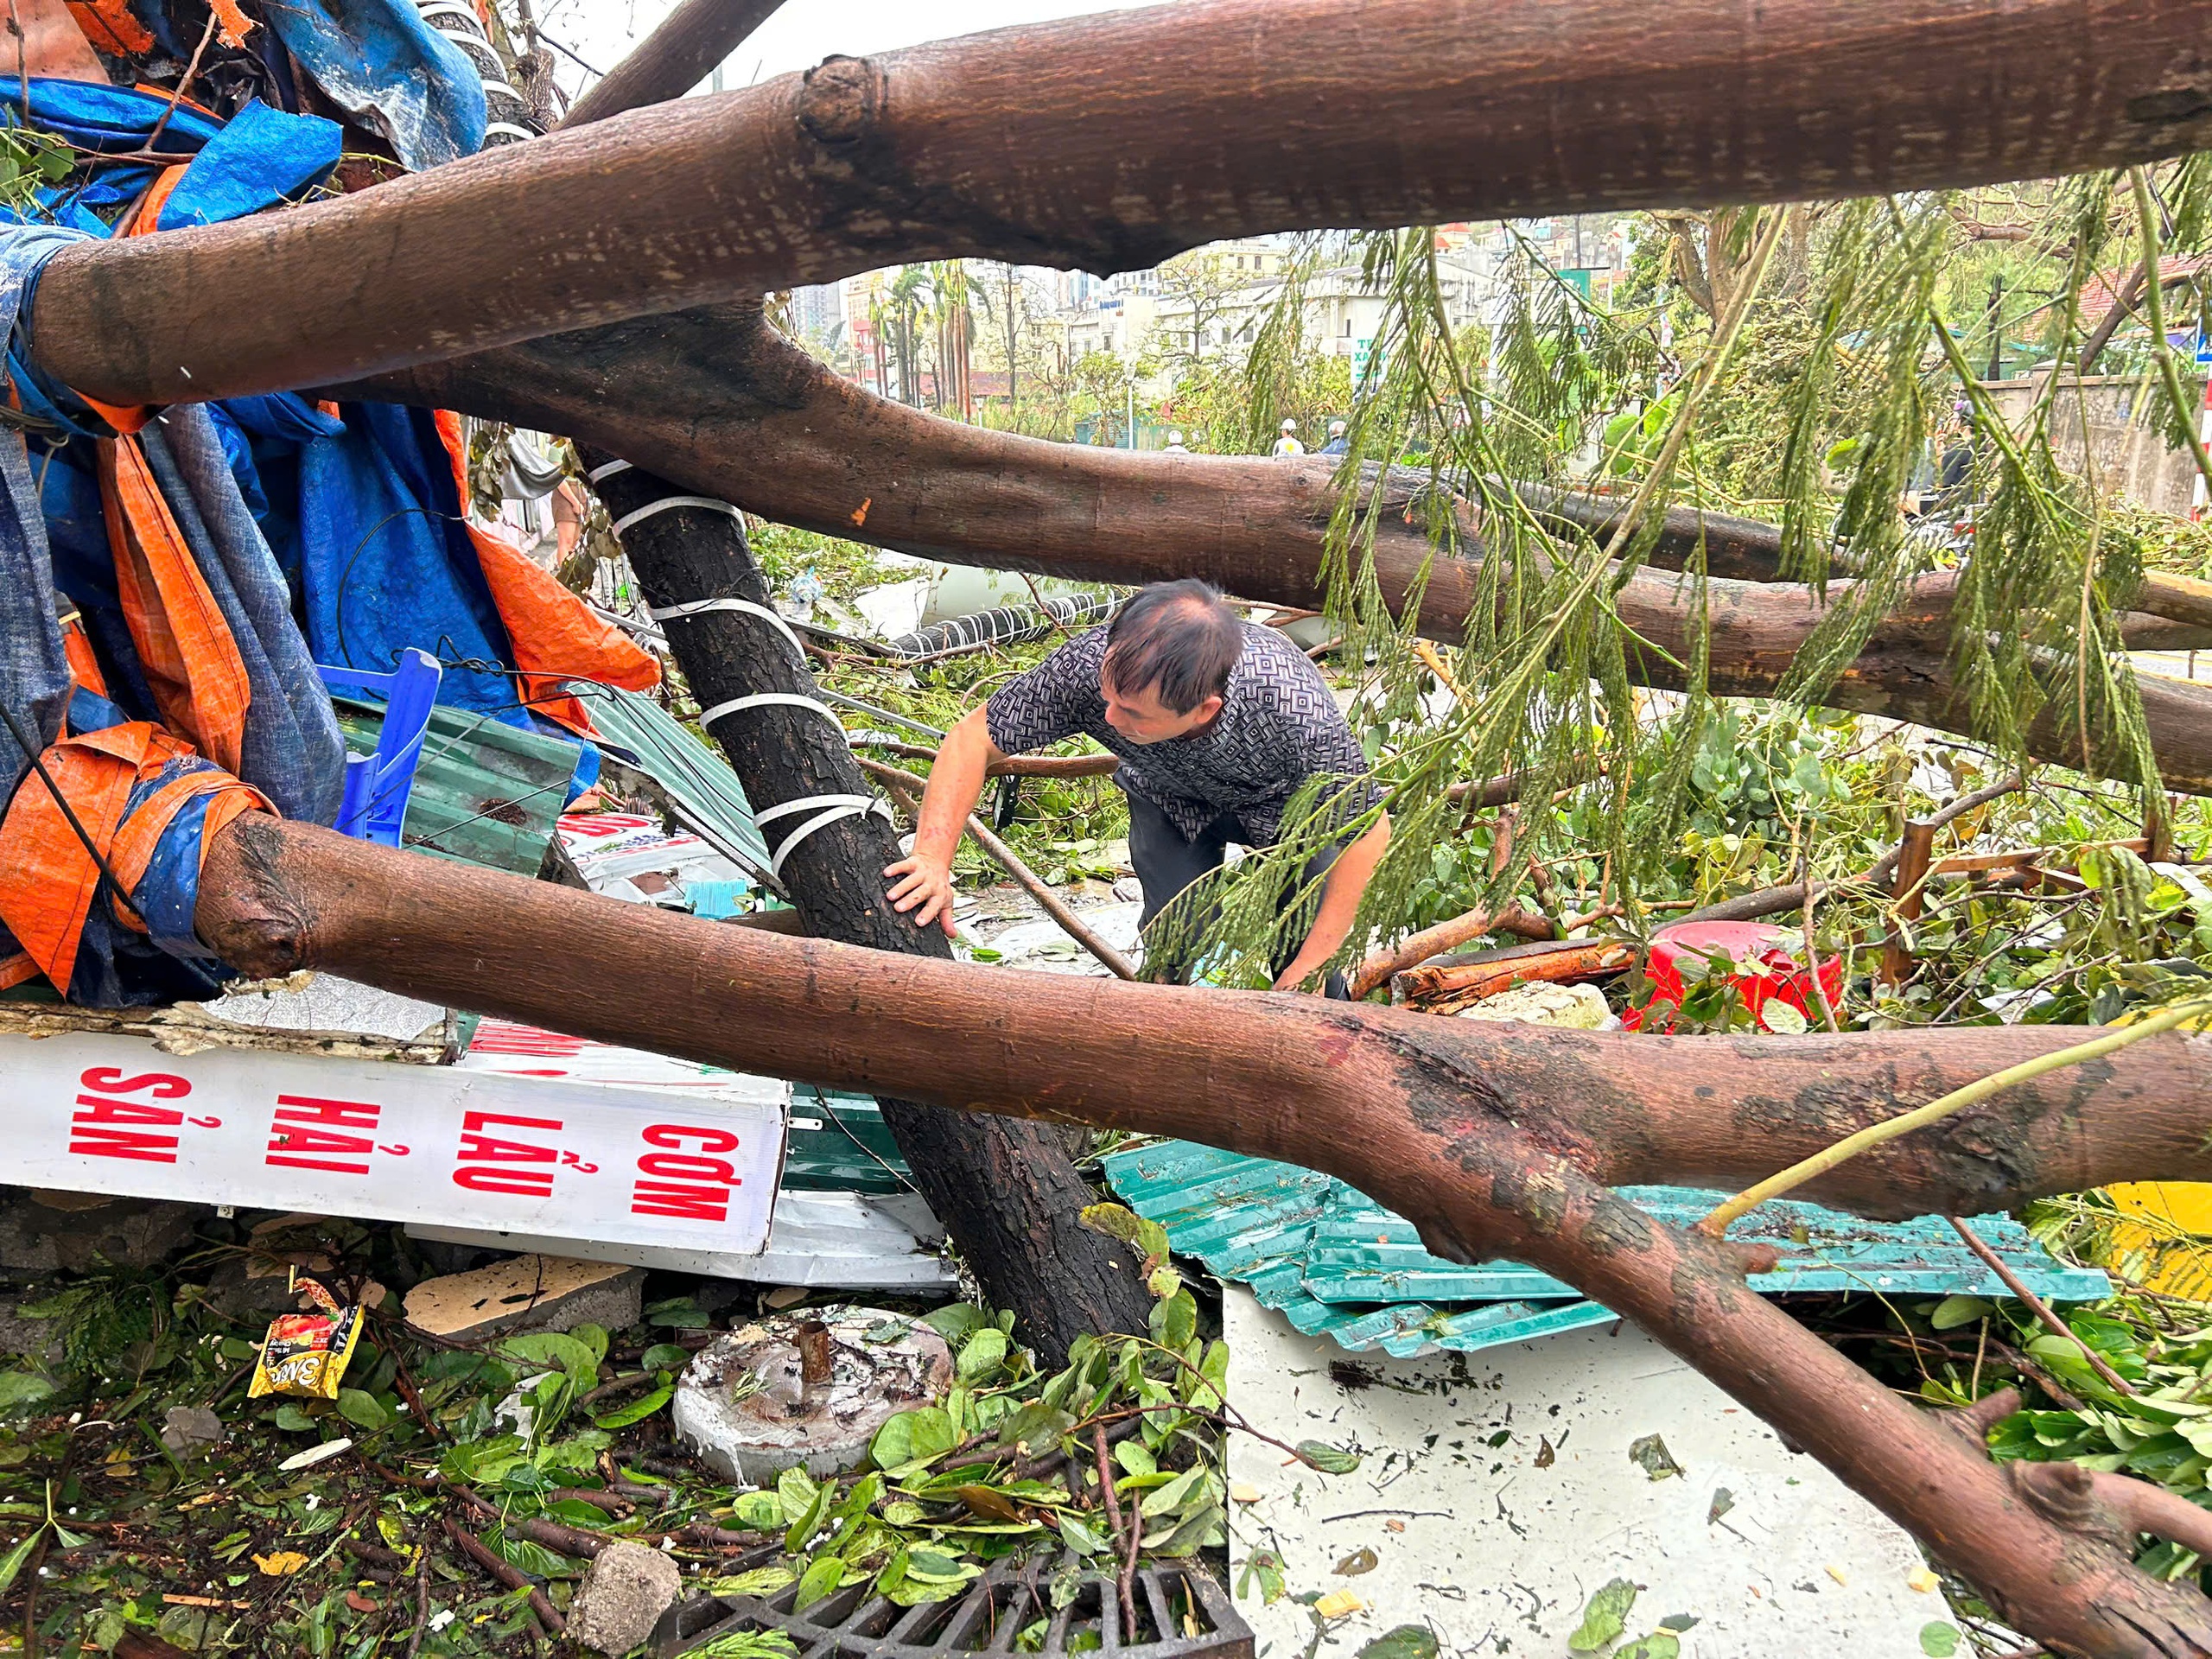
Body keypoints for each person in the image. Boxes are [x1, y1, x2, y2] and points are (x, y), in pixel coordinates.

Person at [883, 580, 1390, 994]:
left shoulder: (1292, 710)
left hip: (1288, 809)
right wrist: (932, 858)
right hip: (1167, 794)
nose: (1107, 717)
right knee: (1175, 937)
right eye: (1108, 697)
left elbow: (1368, 828)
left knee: (1302, 955)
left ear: (1203, 710)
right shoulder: (1087, 667)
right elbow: (974, 739)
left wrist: (1317, 962)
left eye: (1132, 713)